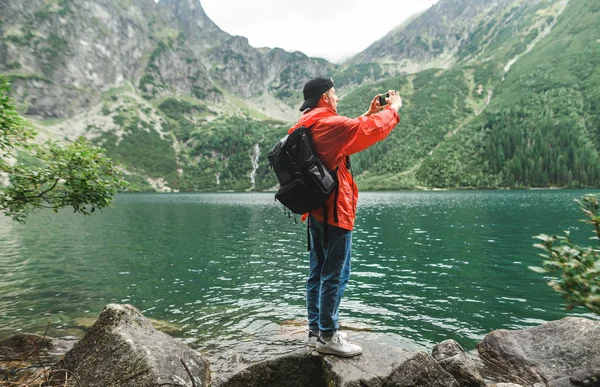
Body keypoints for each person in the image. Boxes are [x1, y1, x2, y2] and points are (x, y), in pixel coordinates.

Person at [289, 76, 402, 357]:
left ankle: (316, 331)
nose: (338, 98)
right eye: (335, 94)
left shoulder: (305, 123)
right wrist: (392, 110)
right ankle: (328, 335)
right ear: (325, 96)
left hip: (315, 210)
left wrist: (368, 112)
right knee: (336, 273)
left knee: (317, 271)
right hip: (334, 210)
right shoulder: (328, 124)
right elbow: (366, 130)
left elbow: (347, 133)